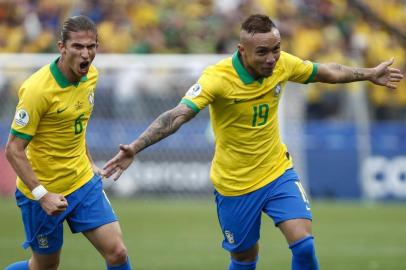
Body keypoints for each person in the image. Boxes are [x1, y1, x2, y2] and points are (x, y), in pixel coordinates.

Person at [102, 14, 403, 270]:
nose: (271, 58)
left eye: (276, 49)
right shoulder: (217, 78)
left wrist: (368, 74)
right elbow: (178, 115)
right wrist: (136, 147)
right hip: (234, 185)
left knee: (303, 245)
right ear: (242, 50)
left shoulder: (282, 64)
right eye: (262, 52)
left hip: (276, 173)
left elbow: (327, 71)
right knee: (245, 259)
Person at [5, 15, 131, 270]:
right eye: (78, 47)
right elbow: (13, 150)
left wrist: (88, 161)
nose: (86, 54)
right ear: (62, 47)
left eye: (91, 46)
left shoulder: (91, 76)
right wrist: (43, 195)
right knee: (44, 267)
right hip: (42, 191)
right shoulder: (37, 90)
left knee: (117, 252)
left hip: (81, 182)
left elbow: (76, 124)